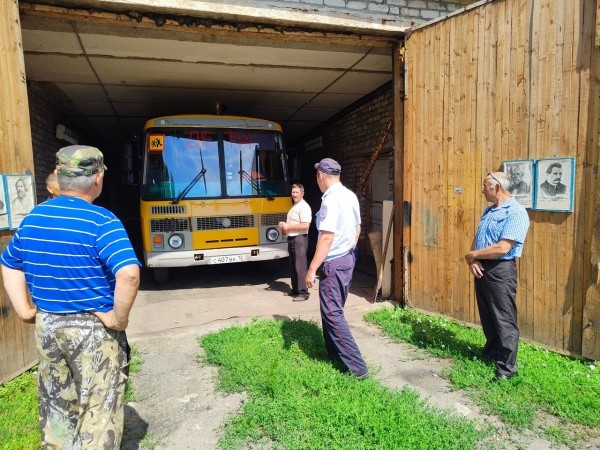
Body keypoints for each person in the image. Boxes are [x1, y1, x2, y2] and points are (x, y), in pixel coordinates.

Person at [0, 145, 141, 448]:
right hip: (93, 330)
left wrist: (24, 310)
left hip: (48, 325)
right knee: (98, 409)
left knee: (56, 404)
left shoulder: (33, 218)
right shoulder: (101, 221)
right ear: (98, 178)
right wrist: (118, 320)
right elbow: (129, 273)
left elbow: (9, 263)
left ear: (59, 176)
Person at [306, 158, 368, 379]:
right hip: (346, 259)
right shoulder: (350, 196)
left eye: (317, 176)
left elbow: (326, 238)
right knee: (333, 310)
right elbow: (357, 228)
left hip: (333, 262)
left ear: (321, 175)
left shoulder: (331, 200)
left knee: (332, 313)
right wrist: (349, 249)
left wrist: (312, 269)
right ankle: (335, 356)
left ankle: (357, 368)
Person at [464, 172, 530, 380]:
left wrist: (474, 255)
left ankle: (507, 368)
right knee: (487, 315)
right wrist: (474, 260)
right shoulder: (489, 210)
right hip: (482, 267)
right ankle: (492, 352)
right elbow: (479, 237)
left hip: (500, 270)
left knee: (504, 317)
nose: (482, 190)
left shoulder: (516, 212)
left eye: (485, 186)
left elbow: (503, 247)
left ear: (498, 187)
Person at [279, 183, 312, 301]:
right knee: (293, 266)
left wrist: (288, 227)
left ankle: (303, 292)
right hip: (292, 238)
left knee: (300, 266)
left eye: (297, 192)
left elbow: (305, 225)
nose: (294, 195)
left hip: (300, 239)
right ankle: (295, 290)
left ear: (302, 193)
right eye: (293, 192)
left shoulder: (304, 207)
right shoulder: (295, 206)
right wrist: (285, 227)